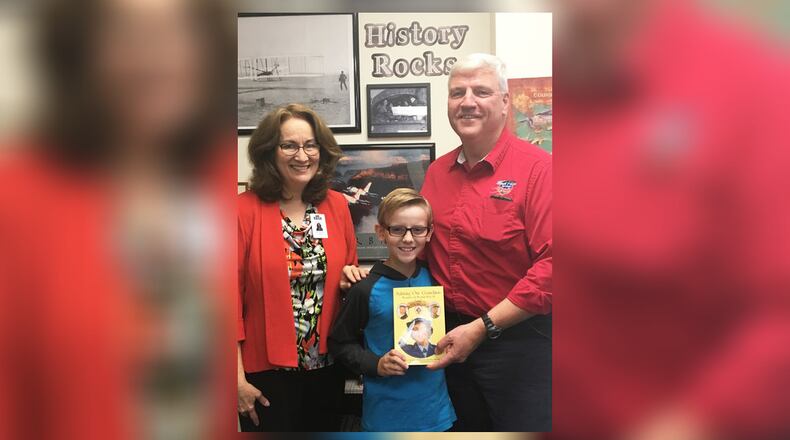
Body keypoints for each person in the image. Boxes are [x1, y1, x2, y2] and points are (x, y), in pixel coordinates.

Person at [421, 53, 553, 431]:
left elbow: (554, 267)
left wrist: (482, 327)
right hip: (450, 340)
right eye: (457, 93)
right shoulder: (437, 172)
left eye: (481, 91)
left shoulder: (539, 170)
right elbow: (422, 251)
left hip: (519, 345)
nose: (467, 102)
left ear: (505, 101)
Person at [237, 103, 359, 432]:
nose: (302, 156)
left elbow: (347, 274)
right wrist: (235, 380)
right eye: (289, 145)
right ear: (269, 152)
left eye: (310, 145)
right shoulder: (242, 211)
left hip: (328, 369)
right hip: (264, 376)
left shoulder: (336, 205)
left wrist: (351, 280)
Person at [329, 188, 456, 432]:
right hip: (385, 417)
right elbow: (339, 343)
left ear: (429, 233)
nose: (408, 239)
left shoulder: (436, 279)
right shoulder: (364, 289)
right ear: (381, 232)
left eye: (417, 230)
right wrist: (375, 364)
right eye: (397, 229)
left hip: (436, 414)